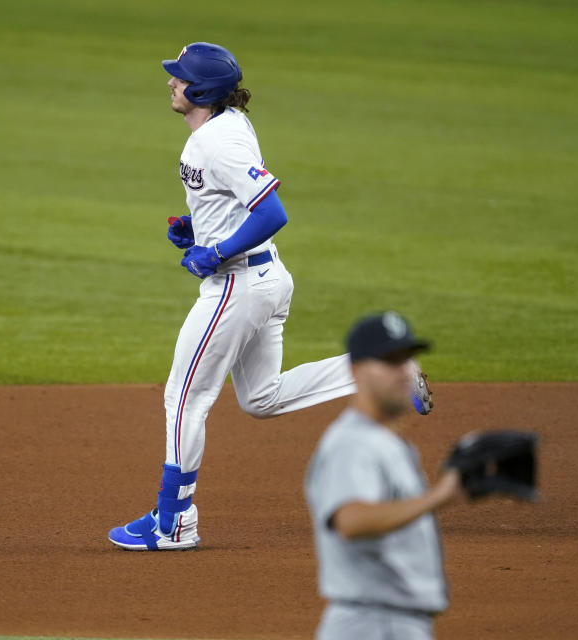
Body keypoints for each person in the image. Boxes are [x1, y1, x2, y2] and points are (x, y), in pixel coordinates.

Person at [108, 43, 432, 551]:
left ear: (203, 91)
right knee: (261, 398)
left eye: (180, 77)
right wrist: (199, 229)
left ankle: (173, 522)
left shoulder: (219, 142)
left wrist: (215, 252)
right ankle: (388, 371)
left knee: (184, 397)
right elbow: (236, 201)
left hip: (237, 284)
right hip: (265, 278)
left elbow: (272, 212)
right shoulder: (225, 125)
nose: (171, 82)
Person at [304, 311, 462, 639]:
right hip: (374, 625)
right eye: (390, 361)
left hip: (390, 622)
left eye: (407, 359)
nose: (404, 371)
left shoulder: (388, 442)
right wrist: (439, 497)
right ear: (355, 372)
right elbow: (352, 520)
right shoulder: (352, 443)